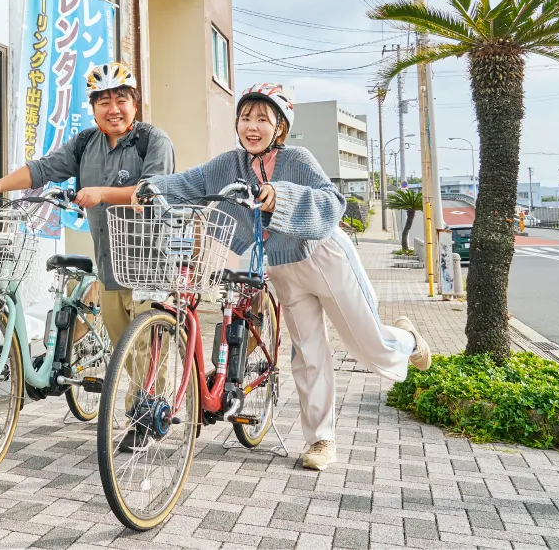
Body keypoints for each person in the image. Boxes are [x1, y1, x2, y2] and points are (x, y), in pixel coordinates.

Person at [142, 82, 432, 471]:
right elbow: (189, 183)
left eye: (263, 119)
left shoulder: (298, 158)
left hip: (324, 255)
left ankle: (410, 341)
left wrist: (281, 196)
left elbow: (332, 200)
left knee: (367, 344)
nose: (252, 126)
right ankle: (321, 439)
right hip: (281, 267)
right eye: (246, 117)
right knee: (308, 353)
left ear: (279, 127)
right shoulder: (229, 164)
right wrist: (151, 188)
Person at [0, 61, 175, 350]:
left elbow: (153, 190)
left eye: (121, 100)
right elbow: (44, 168)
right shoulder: (86, 142)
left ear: (134, 104)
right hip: (110, 268)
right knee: (123, 359)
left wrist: (102, 193)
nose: (113, 110)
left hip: (150, 270)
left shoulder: (152, 141)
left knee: (148, 362)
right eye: (104, 102)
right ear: (94, 107)